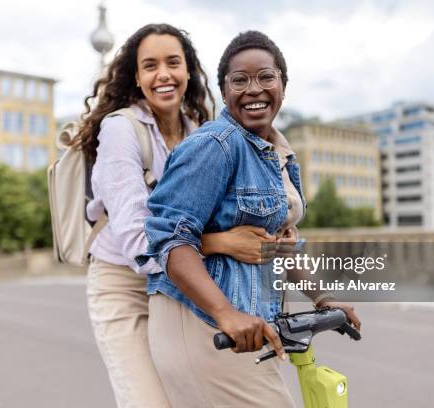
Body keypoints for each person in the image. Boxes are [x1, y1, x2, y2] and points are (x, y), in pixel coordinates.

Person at [141, 31, 362, 407]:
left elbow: (278, 243)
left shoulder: (277, 155)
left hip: (251, 324)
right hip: (205, 324)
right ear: (223, 91)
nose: (253, 89)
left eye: (265, 77)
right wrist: (225, 312)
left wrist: (324, 298)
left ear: (283, 85)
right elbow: (169, 239)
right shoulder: (216, 145)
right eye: (239, 80)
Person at [74, 24, 278, 408]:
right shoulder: (121, 130)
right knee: (148, 402)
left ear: (189, 72)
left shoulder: (200, 134)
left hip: (180, 282)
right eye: (150, 66)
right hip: (124, 283)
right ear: (137, 78)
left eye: (173, 62)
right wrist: (222, 242)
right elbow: (138, 243)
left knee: (199, 396)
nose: (163, 74)